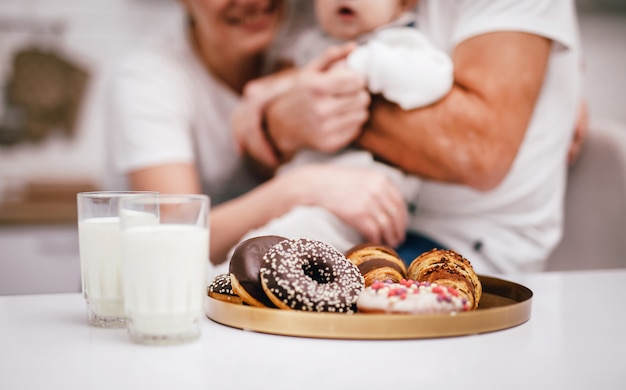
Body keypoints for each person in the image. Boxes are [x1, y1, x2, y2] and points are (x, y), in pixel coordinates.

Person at [237, 0, 584, 274]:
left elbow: (478, 151)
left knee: (284, 268)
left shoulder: (396, 44)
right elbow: (259, 126)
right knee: (266, 254)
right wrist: (284, 106)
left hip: (462, 242)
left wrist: (319, 92)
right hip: (340, 204)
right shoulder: (326, 28)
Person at [105, 0, 407, 273]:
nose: (254, 2)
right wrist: (303, 187)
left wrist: (274, 88)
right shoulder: (147, 78)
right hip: (159, 297)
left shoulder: (306, 24)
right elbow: (172, 235)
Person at [226, 0, 454, 269]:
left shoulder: (399, 44)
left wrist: (358, 65)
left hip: (361, 195)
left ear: (402, 6)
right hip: (303, 186)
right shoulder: (312, 43)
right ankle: (234, 278)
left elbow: (436, 77)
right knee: (260, 238)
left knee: (290, 241)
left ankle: (243, 279)